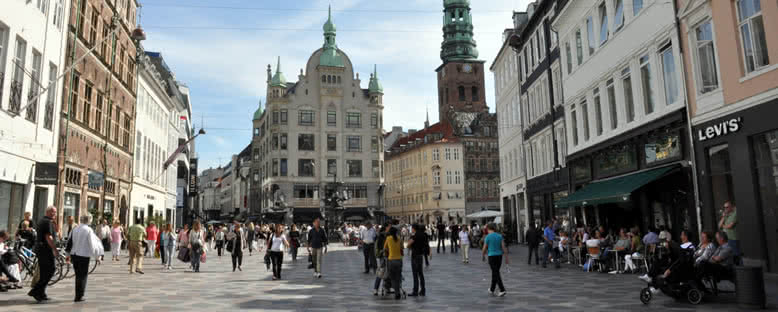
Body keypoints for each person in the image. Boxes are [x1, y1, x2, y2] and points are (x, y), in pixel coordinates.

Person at [66, 214, 104, 302]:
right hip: (83, 255)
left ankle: (77, 295)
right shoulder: (88, 230)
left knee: (78, 275)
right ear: (89, 220)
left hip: (74, 255)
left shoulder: (75, 228)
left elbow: (69, 241)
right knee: (82, 276)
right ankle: (79, 296)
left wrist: (67, 255)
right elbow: (93, 244)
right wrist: (97, 256)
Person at [28, 206, 58, 302]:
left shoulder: (43, 220)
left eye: (56, 212)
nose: (55, 214)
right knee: (50, 270)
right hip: (45, 250)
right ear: (49, 212)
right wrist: (55, 249)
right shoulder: (47, 222)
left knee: (45, 271)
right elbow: (48, 237)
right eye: (54, 212)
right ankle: (36, 291)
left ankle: (41, 292)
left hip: (41, 250)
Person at [482, 223, 508, 297]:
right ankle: (492, 289)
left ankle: (502, 289)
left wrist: (483, 255)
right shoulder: (499, 236)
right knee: (495, 272)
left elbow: (484, 248)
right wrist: (506, 258)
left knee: (496, 272)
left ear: (488, 229)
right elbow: (504, 247)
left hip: (492, 256)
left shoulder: (487, 237)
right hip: (499, 256)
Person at [407, 224, 428, 297]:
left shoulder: (415, 236)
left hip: (415, 256)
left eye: (411, 228)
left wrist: (409, 241)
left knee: (415, 274)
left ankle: (415, 291)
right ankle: (423, 290)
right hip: (420, 255)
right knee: (421, 274)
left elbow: (408, 245)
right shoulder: (423, 235)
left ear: (413, 229)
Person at [383, 226, 404, 300]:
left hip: (391, 260)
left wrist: (389, 252)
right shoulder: (400, 239)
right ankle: (397, 292)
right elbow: (402, 249)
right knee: (398, 277)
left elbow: (385, 248)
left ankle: (396, 292)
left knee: (392, 278)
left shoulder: (388, 238)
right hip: (399, 260)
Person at [373, 223, 390, 296]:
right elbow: (380, 248)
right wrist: (384, 250)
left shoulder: (388, 236)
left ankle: (386, 288)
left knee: (387, 273)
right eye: (388, 227)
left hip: (389, 256)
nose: (389, 228)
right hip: (383, 257)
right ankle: (376, 289)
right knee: (381, 273)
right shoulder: (381, 237)